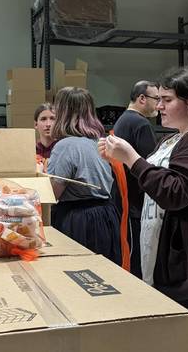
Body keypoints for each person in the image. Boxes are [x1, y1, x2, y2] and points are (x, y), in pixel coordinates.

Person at [99, 66, 188, 349]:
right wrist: (120, 161)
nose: (159, 106)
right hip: (162, 264)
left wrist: (133, 158)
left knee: (180, 344)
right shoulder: (173, 138)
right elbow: (152, 190)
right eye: (158, 99)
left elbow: (177, 192)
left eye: (167, 99)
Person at [47, 87, 120, 264]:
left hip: (78, 221)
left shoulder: (65, 146)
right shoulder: (100, 143)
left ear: (63, 111)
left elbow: (52, 194)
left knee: (77, 276)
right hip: (106, 217)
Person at [112, 80, 159, 279]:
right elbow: (150, 168)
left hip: (123, 201)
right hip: (135, 206)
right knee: (136, 263)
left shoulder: (123, 120)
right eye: (156, 99)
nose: (160, 104)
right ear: (142, 98)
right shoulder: (140, 123)